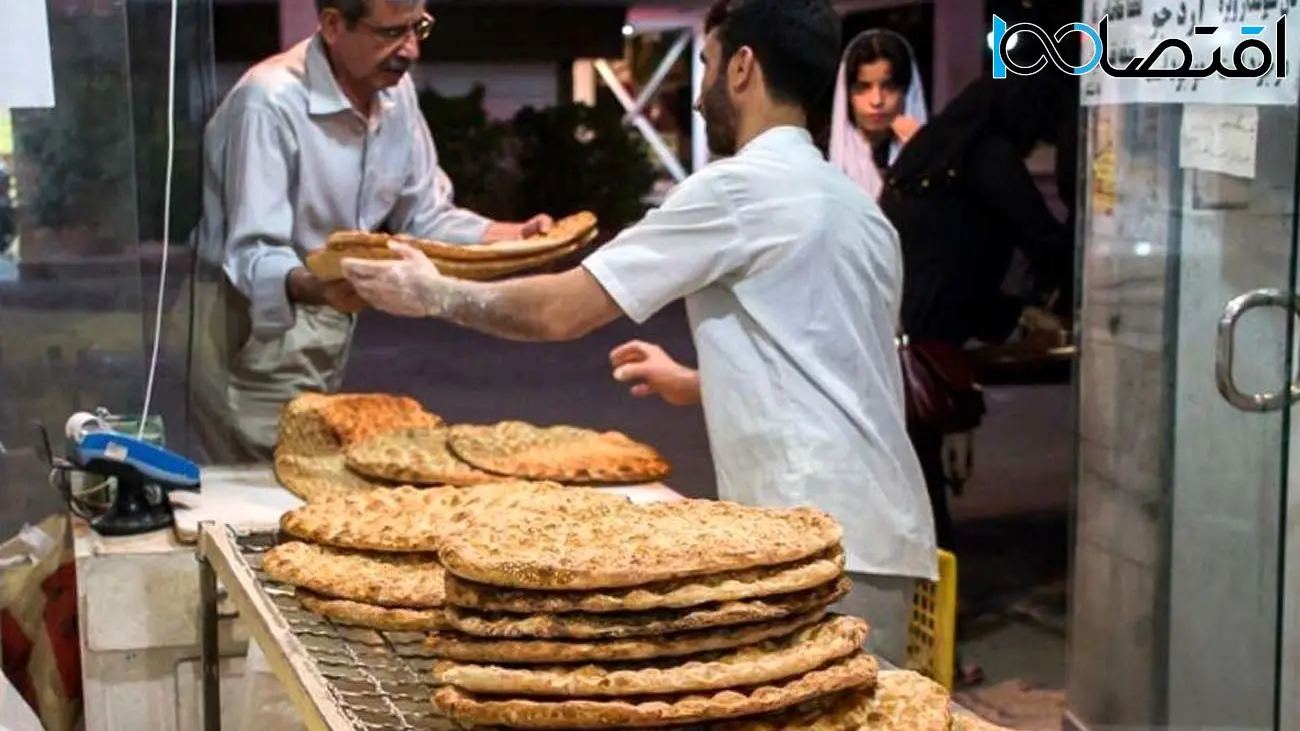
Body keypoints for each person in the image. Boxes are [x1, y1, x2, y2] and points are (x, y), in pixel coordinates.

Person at [342, 0, 938, 665]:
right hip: (888, 533)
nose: (701, 91)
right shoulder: (859, 209)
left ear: (742, 68)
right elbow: (836, 360)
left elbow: (562, 310)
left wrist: (434, 293)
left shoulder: (737, 190)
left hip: (809, 541)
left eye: (707, 64)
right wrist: (696, 381)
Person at [187, 0, 551, 464]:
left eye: (419, 28)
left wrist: (514, 236)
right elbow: (252, 252)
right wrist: (321, 287)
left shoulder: (396, 95)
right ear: (334, 25)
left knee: (308, 475)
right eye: (391, 33)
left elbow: (425, 216)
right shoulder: (269, 102)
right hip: (250, 321)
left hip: (328, 310)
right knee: (265, 490)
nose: (411, 50)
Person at [829, 29, 928, 200]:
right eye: (863, 87)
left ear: (907, 90)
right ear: (846, 94)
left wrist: (920, 152)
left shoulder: (936, 154)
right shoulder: (821, 157)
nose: (876, 101)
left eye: (888, 87)